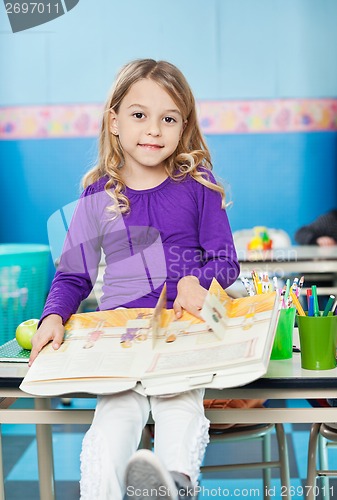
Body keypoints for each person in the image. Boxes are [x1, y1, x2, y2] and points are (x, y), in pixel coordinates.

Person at [29, 59, 240, 500]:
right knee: (113, 423)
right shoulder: (98, 194)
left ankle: (172, 486)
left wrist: (197, 282)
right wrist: (53, 315)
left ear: (183, 128)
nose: (154, 130)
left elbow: (225, 260)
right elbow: (73, 274)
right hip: (122, 344)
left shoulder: (199, 185)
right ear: (115, 121)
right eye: (139, 115)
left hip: (185, 335)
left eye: (168, 119)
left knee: (178, 407)